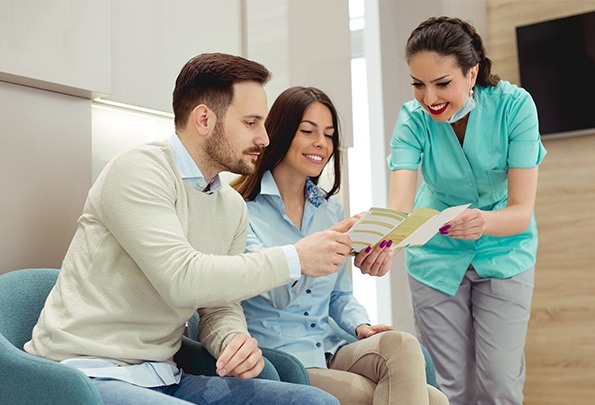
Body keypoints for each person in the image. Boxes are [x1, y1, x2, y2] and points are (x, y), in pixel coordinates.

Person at [24, 53, 347, 405]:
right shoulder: (138, 171)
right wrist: (295, 258)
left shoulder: (231, 206)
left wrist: (233, 340)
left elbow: (219, 306)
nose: (265, 138)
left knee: (317, 403)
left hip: (164, 375)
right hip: (86, 374)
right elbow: (181, 279)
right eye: (251, 122)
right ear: (204, 119)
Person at [232, 86, 448, 405]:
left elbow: (339, 294)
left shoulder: (330, 209)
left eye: (329, 134)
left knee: (402, 345)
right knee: (430, 400)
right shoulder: (241, 210)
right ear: (281, 133)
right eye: (308, 131)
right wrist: (314, 250)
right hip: (284, 359)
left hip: (331, 346)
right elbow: (276, 292)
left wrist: (360, 325)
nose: (322, 143)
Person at [386, 16, 547, 404]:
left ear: (471, 73)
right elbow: (399, 204)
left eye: (442, 83)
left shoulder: (514, 106)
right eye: (418, 84)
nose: (429, 98)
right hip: (436, 257)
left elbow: (521, 211)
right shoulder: (412, 119)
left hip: (504, 250)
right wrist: (384, 241)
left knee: (499, 385)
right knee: (448, 388)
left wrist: (482, 222)